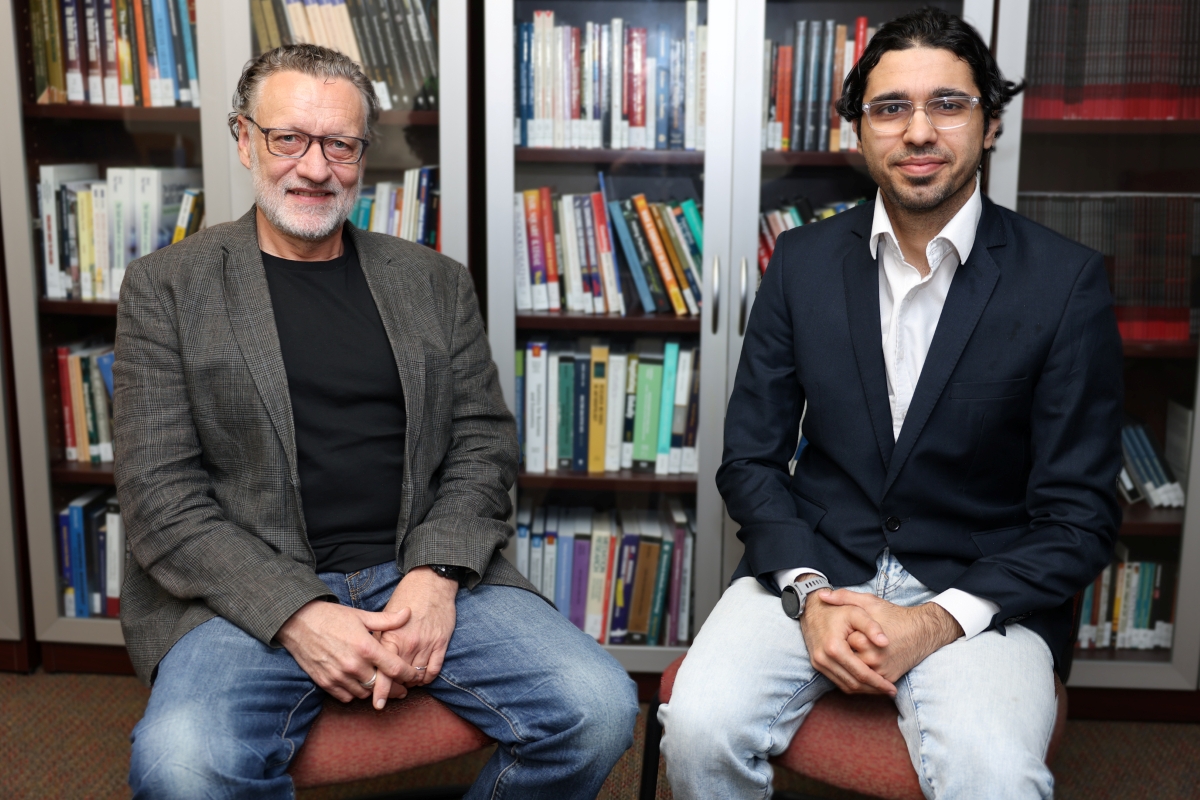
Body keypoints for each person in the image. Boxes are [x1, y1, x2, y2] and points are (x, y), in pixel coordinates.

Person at [116, 44, 637, 799]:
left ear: (365, 154)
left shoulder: (433, 282)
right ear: (243, 139)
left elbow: (482, 447)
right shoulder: (167, 288)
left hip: (415, 567)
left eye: (341, 145)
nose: (315, 168)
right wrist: (296, 612)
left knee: (596, 708)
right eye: (287, 138)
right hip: (245, 593)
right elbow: (161, 500)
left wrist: (436, 577)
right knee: (181, 767)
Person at [660, 8, 1122, 799]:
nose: (918, 131)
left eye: (948, 103)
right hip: (819, 567)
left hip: (984, 589)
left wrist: (935, 620)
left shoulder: (1065, 283)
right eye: (890, 107)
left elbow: (1081, 515)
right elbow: (751, 461)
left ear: (991, 123)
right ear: (859, 130)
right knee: (698, 730)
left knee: (996, 779)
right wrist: (807, 595)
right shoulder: (802, 263)